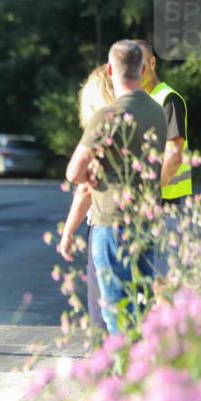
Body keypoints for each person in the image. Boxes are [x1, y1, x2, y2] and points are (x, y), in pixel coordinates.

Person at [65, 40, 166, 334]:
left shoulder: (107, 116)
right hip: (146, 220)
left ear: (110, 70)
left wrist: (92, 172)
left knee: (116, 312)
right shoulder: (158, 112)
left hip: (112, 222)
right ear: (144, 68)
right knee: (142, 306)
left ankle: (124, 373)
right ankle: (143, 371)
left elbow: (74, 173)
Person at [56, 65, 116, 332]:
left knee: (102, 304)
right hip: (144, 220)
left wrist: (68, 232)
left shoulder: (102, 124)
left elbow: (81, 183)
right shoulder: (143, 116)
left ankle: (111, 366)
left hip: (106, 221)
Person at [133, 39, 192, 202]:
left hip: (165, 200)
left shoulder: (168, 99)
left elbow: (174, 156)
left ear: (152, 63)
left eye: (141, 63)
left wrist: (148, 194)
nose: (137, 70)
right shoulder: (140, 101)